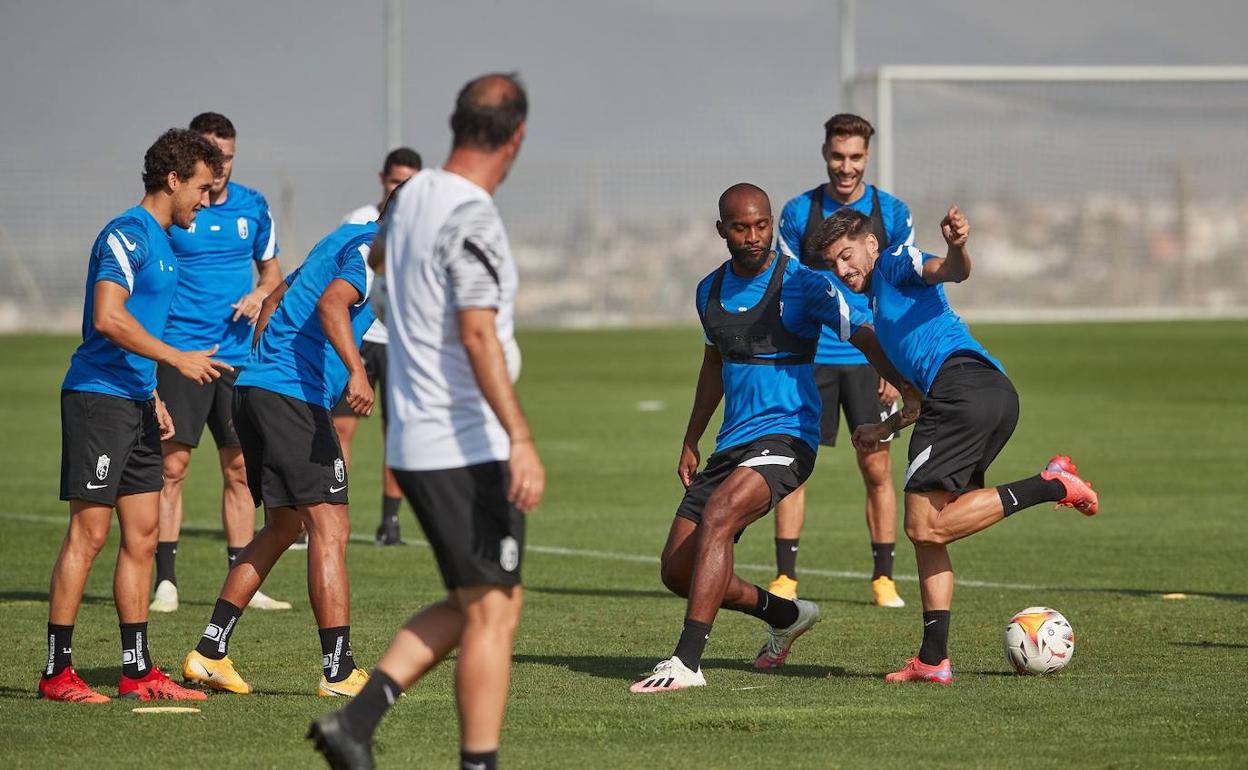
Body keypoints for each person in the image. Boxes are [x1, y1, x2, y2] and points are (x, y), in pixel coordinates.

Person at [308, 73, 541, 770]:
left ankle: (357, 720)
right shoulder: (472, 215)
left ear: (455, 123)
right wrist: (521, 437)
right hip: (462, 441)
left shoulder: (409, 199)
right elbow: (477, 335)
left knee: (477, 600)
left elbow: (377, 262)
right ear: (517, 136)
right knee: (494, 612)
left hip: (414, 437)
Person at [629, 183, 917, 695]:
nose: (755, 235)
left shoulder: (803, 284)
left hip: (789, 436)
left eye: (762, 224)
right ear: (722, 230)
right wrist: (691, 437)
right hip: (730, 443)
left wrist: (902, 383)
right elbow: (712, 366)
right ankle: (784, 615)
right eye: (741, 227)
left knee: (719, 515)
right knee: (677, 571)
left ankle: (687, 662)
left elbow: (863, 330)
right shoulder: (708, 291)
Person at [811, 205, 1099, 684]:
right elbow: (918, 401)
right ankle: (932, 659)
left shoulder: (893, 264)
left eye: (846, 256)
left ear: (869, 245)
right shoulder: (880, 308)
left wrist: (957, 247)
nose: (843, 270)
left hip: (963, 390)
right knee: (934, 529)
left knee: (923, 524)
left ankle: (1052, 485)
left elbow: (948, 271)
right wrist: (884, 429)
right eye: (833, 264)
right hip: (984, 394)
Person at [41, 128, 226, 703]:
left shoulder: (166, 244)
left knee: (142, 537)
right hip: (97, 398)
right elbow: (108, 317)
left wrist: (155, 395)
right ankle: (56, 673)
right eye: (201, 187)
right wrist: (175, 359)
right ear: (172, 180)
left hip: (137, 402)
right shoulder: (127, 235)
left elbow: (138, 328)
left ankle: (138, 670)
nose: (207, 198)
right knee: (90, 534)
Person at [181, 212, 382, 698]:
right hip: (292, 396)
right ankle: (338, 671)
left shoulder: (341, 239)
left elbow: (273, 298)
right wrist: (356, 371)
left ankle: (209, 652)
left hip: (259, 388)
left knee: (285, 525)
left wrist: (259, 373)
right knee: (330, 527)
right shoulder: (373, 251)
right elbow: (334, 305)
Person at [769, 113, 914, 608]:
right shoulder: (796, 212)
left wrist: (893, 365)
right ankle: (786, 577)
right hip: (809, 359)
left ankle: (883, 579)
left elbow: (899, 291)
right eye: (837, 155)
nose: (845, 166)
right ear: (825, 153)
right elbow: (786, 287)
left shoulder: (891, 213)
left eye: (855, 157)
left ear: (867, 157)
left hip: (869, 361)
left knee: (876, 469)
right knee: (792, 465)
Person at [150, 112, 290, 613]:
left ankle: (242, 578)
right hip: (181, 353)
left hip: (236, 360)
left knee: (239, 470)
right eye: (213, 156)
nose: (222, 166)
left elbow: (273, 272)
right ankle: (165, 580)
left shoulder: (253, 207)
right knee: (173, 466)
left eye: (228, 156)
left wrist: (259, 293)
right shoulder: (175, 210)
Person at [334, 146, 422, 546]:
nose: (401, 188)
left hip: (400, 344)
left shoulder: (423, 228)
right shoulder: (359, 222)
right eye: (395, 181)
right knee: (340, 428)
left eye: (410, 182)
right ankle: (331, 511)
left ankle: (390, 523)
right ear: (382, 179)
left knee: (398, 432)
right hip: (359, 339)